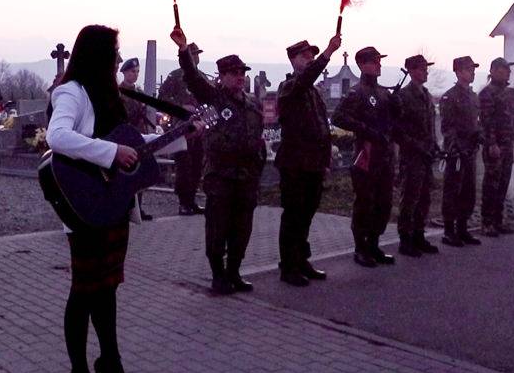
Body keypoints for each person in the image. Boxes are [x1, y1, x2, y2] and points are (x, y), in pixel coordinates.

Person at [47, 25, 194, 373]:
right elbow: (57, 137)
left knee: (107, 288)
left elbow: (128, 145)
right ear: (97, 55)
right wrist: (110, 153)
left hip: (111, 204)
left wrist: (181, 135)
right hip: (84, 207)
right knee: (84, 292)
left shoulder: (111, 95)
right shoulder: (71, 92)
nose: (117, 59)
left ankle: (109, 362)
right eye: (113, 52)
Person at [170, 27, 266, 295]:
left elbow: (258, 137)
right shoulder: (214, 98)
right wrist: (183, 51)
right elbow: (192, 77)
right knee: (217, 228)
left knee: (242, 229)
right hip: (221, 176)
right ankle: (218, 275)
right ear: (222, 76)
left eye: (241, 73)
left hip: (246, 177)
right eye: (233, 73)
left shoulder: (252, 103)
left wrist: (258, 164)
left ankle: (234, 272)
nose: (239, 77)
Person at [275, 34, 341, 286]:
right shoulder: (291, 87)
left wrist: (326, 160)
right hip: (294, 163)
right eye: (305, 56)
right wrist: (327, 54)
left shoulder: (313, 92)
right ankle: (288, 266)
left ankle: (301, 260)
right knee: (293, 215)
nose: (310, 58)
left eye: (312, 55)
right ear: (293, 60)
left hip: (313, 163)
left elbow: (321, 126)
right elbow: (305, 80)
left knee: (307, 215)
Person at [332, 46, 399, 267]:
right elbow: (339, 117)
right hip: (366, 154)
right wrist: (365, 129)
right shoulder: (356, 92)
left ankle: (374, 244)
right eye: (374, 61)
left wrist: (397, 106)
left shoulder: (383, 93)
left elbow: (394, 122)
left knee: (384, 203)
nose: (379, 64)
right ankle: (361, 248)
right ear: (362, 65)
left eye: (379, 60)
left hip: (385, 156)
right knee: (365, 203)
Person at [394, 54, 440, 257]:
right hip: (412, 156)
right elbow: (397, 130)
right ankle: (405, 240)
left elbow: (430, 125)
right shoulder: (404, 96)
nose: (426, 72)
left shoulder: (426, 94)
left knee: (424, 197)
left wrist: (435, 146)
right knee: (410, 198)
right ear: (412, 71)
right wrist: (416, 146)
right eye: (422, 68)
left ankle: (419, 236)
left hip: (426, 155)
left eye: (426, 68)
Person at [439, 56, 482, 247]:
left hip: (470, 151)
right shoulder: (449, 96)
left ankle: (463, 229)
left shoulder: (473, 97)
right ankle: (449, 231)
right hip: (456, 152)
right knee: (452, 192)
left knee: (468, 192)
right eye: (468, 69)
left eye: (473, 69)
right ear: (458, 72)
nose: (472, 72)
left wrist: (481, 138)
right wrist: (455, 148)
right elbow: (448, 127)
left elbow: (475, 122)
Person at [158, 43, 205, 216]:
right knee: (183, 167)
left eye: (197, 54)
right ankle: (183, 203)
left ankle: (192, 201)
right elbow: (161, 97)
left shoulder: (201, 78)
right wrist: (181, 106)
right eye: (193, 54)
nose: (196, 57)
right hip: (181, 128)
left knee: (196, 165)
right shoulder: (176, 77)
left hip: (199, 128)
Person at [478, 57, 514, 237]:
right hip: (495, 146)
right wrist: (492, 143)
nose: (508, 72)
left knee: (503, 184)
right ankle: (487, 222)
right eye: (504, 69)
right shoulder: (487, 93)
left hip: (507, 145)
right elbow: (487, 122)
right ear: (494, 70)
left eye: (508, 70)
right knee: (491, 185)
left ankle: (498, 220)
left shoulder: (509, 93)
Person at [119, 58, 155, 220]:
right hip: (124, 137)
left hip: (139, 136)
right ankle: (125, 208)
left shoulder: (139, 94)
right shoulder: (118, 93)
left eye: (137, 72)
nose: (135, 74)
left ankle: (138, 208)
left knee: (139, 171)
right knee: (125, 174)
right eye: (132, 71)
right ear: (124, 73)